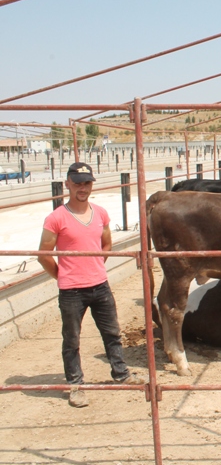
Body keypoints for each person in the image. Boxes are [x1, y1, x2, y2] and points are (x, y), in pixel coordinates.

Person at [38, 162, 145, 408]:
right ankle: (76, 385)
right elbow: (43, 254)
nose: (82, 188)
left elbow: (106, 244)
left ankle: (121, 373)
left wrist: (95, 265)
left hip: (100, 285)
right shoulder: (56, 218)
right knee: (72, 339)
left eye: (86, 183)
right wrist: (62, 275)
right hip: (71, 291)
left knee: (112, 333)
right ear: (67, 184)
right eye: (77, 183)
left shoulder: (100, 213)